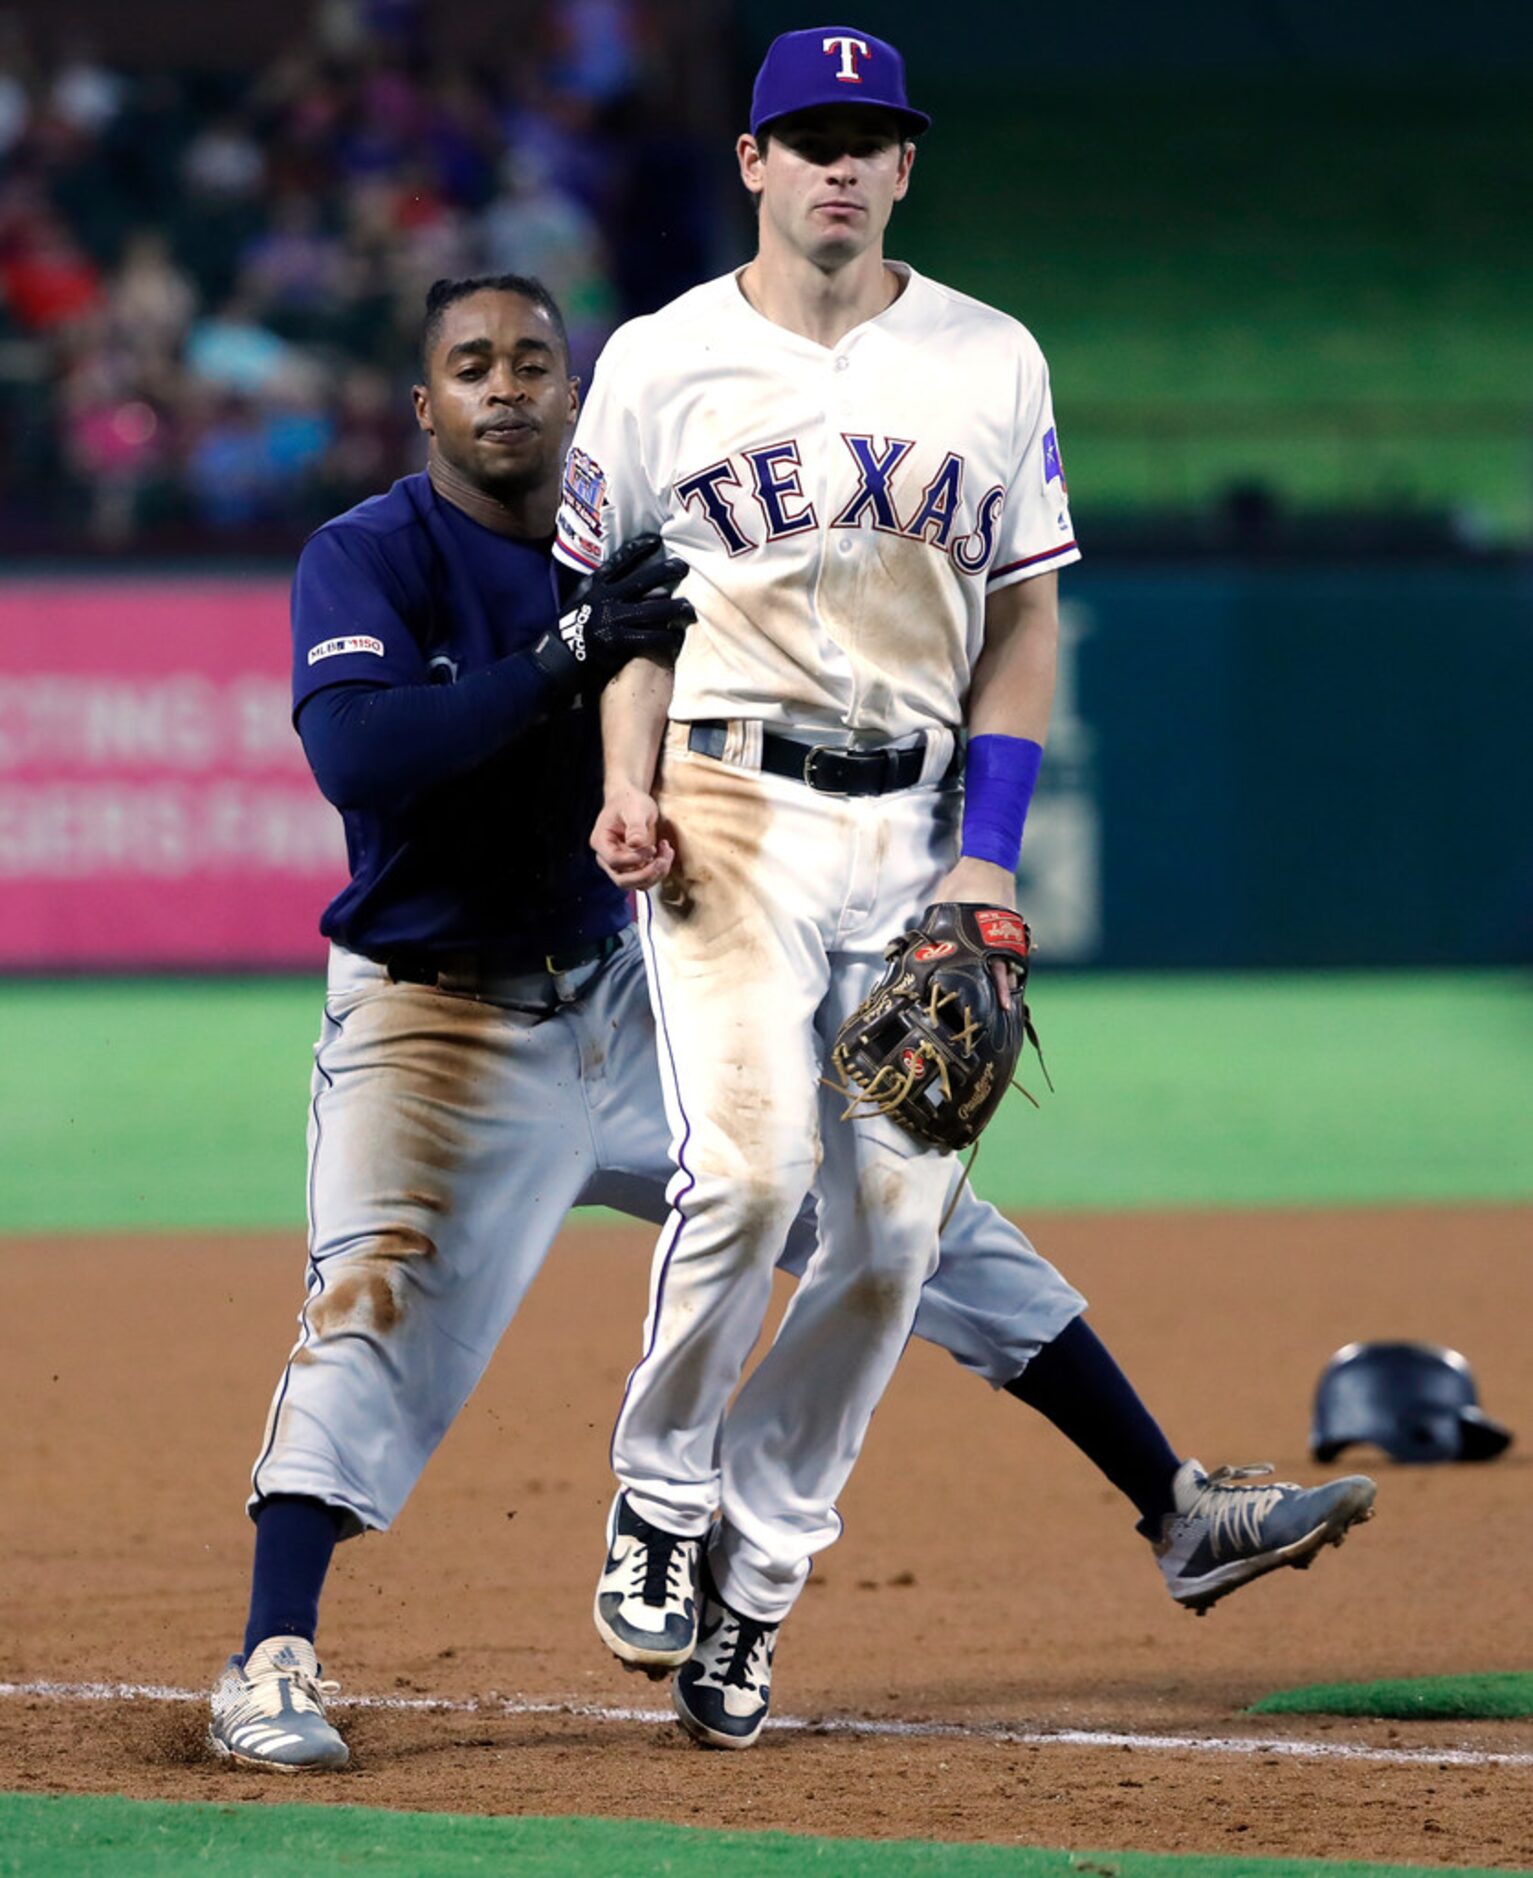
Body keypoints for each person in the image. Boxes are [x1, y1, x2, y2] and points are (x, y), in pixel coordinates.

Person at [207, 271, 1372, 1775]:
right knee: (376, 1307)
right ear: (423, 403)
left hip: (619, 982)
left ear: (576, 394)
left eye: (532, 363)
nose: (506, 387)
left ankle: (1179, 1510)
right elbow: (361, 756)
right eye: (469, 366)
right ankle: (269, 1657)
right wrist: (563, 658)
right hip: (436, 1022)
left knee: (914, 1216)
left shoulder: (652, 544)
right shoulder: (367, 555)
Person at [570, 30, 1376, 1750]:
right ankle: (659, 1490)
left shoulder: (990, 357)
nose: (841, 166)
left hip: (912, 831)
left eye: (871, 140)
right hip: (724, 802)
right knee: (753, 1164)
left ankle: (754, 1587)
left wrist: (987, 858)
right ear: (753, 162)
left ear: (908, 168)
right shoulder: (657, 360)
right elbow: (625, 608)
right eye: (811, 137)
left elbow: (1021, 623)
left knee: (893, 1236)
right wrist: (624, 783)